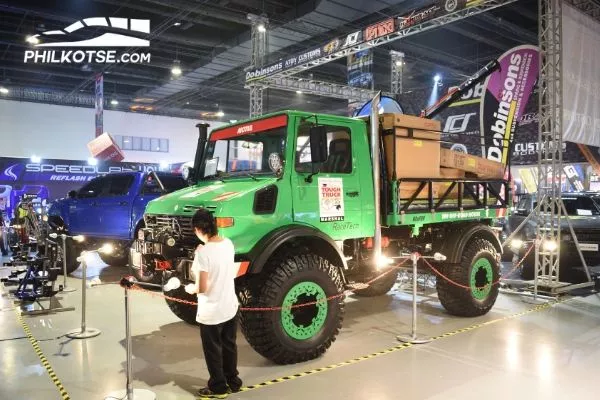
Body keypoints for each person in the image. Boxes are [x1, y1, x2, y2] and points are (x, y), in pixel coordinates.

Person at [185, 208, 242, 399]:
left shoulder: (203, 252)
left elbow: (202, 287)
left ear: (199, 229)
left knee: (213, 350)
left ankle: (218, 387)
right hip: (230, 305)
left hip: (212, 311)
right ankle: (233, 381)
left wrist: (190, 289)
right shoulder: (228, 243)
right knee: (229, 345)